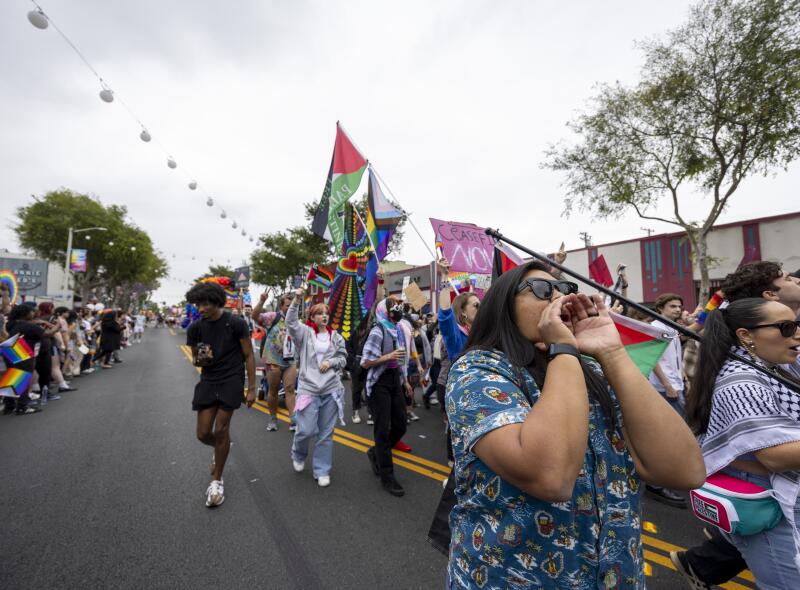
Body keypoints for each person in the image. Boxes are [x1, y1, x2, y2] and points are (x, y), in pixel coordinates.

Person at [446, 261, 705, 589]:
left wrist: (611, 352)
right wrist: (564, 349)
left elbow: (685, 470)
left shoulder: (594, 372)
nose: (561, 298)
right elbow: (549, 476)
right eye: (542, 290)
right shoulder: (478, 369)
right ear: (503, 308)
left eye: (566, 289)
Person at [672, 261, 800, 588]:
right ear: (746, 335)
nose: (797, 333)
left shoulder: (774, 365)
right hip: (773, 499)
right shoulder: (740, 382)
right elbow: (776, 455)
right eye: (786, 327)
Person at [186, 282, 256, 508]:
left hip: (231, 379)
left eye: (204, 304)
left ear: (216, 301)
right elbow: (197, 359)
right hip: (209, 379)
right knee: (203, 433)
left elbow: (248, 355)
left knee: (221, 429)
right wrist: (203, 356)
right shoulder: (195, 328)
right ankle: (221, 447)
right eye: (197, 304)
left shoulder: (235, 323)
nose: (201, 308)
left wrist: (252, 388)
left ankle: (217, 480)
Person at [285, 289, 347, 487]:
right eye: (319, 313)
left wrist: (331, 363)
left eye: (326, 313)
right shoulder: (304, 333)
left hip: (330, 389)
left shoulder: (336, 337)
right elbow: (291, 323)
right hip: (309, 389)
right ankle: (298, 453)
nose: (324, 316)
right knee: (305, 430)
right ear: (312, 316)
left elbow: (343, 357)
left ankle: (322, 469)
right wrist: (296, 299)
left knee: (326, 434)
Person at [361, 297, 411, 497]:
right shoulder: (377, 330)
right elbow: (366, 362)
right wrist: (387, 357)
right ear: (384, 311)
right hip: (379, 381)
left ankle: (376, 453)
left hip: (394, 379)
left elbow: (400, 359)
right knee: (382, 430)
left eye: (398, 308)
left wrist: (405, 381)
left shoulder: (396, 329)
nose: (397, 310)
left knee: (400, 425)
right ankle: (387, 477)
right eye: (393, 308)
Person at [644, 292, 690, 509]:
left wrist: (682, 375)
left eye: (679, 306)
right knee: (666, 434)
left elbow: (673, 357)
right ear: (660, 308)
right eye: (672, 306)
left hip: (675, 385)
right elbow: (652, 359)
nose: (677, 309)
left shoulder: (671, 328)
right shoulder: (656, 327)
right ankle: (655, 482)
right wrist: (668, 385)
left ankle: (666, 475)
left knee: (674, 433)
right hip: (664, 389)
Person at [253, 293, 297, 432]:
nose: (290, 309)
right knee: (273, 390)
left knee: (290, 389)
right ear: (281, 306)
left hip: (290, 360)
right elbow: (255, 316)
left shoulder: (296, 320)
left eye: (293, 306)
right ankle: (273, 418)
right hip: (273, 360)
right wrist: (261, 301)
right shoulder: (273, 317)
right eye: (287, 306)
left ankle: (294, 420)